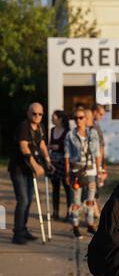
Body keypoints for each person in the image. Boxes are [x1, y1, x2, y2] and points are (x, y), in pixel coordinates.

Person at [8, 103, 53, 245]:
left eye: (40, 114)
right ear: (28, 113)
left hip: (29, 171)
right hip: (19, 169)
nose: (37, 116)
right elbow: (24, 146)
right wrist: (35, 165)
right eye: (34, 114)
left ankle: (23, 229)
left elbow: (42, 145)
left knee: (29, 200)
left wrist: (47, 161)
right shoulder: (24, 127)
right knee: (23, 200)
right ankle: (17, 233)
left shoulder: (40, 127)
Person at [65, 106, 102, 238]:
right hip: (76, 171)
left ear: (86, 119)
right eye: (76, 118)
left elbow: (97, 153)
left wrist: (100, 171)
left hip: (91, 171)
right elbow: (67, 155)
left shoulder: (92, 133)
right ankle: (75, 226)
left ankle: (90, 225)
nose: (78, 120)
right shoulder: (70, 135)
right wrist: (67, 173)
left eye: (81, 117)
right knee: (76, 201)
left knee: (91, 200)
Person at [48, 110, 71, 220]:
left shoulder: (67, 131)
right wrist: (51, 147)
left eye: (54, 117)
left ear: (60, 119)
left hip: (64, 161)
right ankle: (55, 212)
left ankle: (69, 212)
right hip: (54, 161)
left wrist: (58, 147)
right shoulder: (52, 130)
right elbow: (50, 144)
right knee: (55, 188)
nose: (52, 119)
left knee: (67, 188)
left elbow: (68, 147)